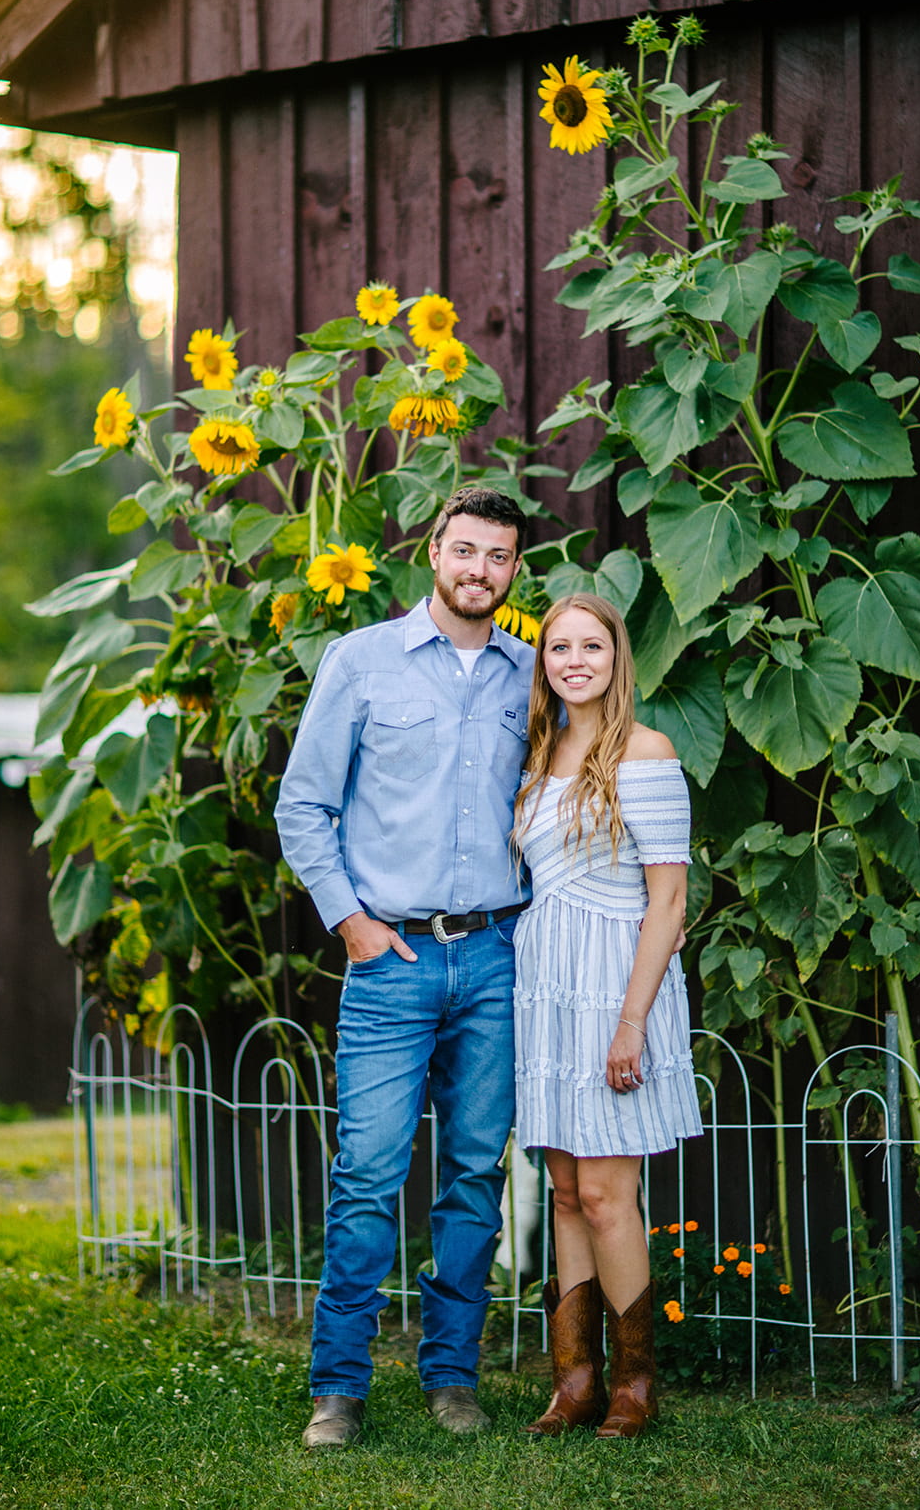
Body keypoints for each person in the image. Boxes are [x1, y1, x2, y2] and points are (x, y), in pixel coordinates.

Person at [274, 485, 534, 1451]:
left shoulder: (529, 672)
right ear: (433, 552)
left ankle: (451, 1377)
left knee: (474, 1174)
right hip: (389, 956)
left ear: (513, 570)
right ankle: (337, 1386)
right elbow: (303, 805)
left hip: (496, 958)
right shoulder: (363, 662)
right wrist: (348, 921)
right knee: (368, 1173)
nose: (478, 570)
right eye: (464, 550)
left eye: (497, 557)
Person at [510, 592, 702, 1439]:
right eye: (559, 648)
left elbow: (668, 903)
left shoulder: (646, 753)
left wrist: (631, 1022)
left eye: (591, 645)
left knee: (605, 1190)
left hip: (617, 990)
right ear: (543, 661)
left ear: (616, 657)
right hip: (547, 988)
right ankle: (573, 1378)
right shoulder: (540, 751)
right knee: (560, 1190)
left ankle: (633, 1383)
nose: (574, 660)